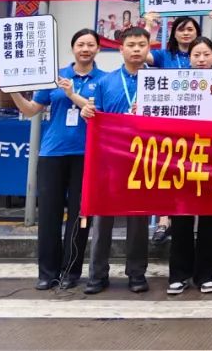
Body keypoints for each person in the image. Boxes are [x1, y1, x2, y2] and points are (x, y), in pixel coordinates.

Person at [0, 28, 102, 290]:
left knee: (80, 216)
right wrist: (13, 91)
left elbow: (100, 113)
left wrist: (72, 94)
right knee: (49, 214)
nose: (85, 49)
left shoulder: (104, 80)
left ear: (98, 49)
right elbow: (32, 110)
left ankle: (71, 272)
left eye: (90, 44)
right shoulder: (54, 77)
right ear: (73, 48)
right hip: (52, 153)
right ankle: (47, 273)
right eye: (80, 44)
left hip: (86, 154)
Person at [81, 27, 152, 295]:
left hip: (143, 159)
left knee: (139, 219)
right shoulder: (105, 82)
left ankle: (137, 273)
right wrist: (88, 113)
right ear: (121, 49)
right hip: (109, 159)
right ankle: (97, 275)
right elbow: (95, 119)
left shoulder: (160, 81)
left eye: (141, 45)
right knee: (103, 218)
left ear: (148, 49)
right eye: (131, 45)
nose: (136, 49)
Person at [167, 37, 212, 295]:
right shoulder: (175, 83)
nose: (201, 59)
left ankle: (206, 275)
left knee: (210, 218)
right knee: (181, 217)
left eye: (206, 54)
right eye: (196, 55)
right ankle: (179, 274)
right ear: (188, 58)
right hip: (182, 159)